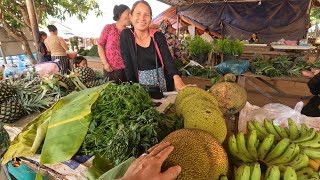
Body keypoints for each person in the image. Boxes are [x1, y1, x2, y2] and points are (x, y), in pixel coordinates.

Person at [120, 0, 186, 92]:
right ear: (131, 17)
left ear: (150, 18)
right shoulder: (126, 35)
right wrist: (133, 89)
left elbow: (167, 58)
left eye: (146, 15)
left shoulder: (158, 36)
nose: (142, 18)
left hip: (161, 84)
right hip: (139, 87)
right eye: (138, 13)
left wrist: (176, 77)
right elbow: (127, 64)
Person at [97, 4, 131, 84]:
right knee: (113, 93)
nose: (131, 16)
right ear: (120, 15)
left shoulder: (130, 32)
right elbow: (100, 45)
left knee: (128, 93)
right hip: (111, 70)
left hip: (128, 70)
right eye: (128, 13)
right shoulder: (109, 28)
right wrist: (105, 63)